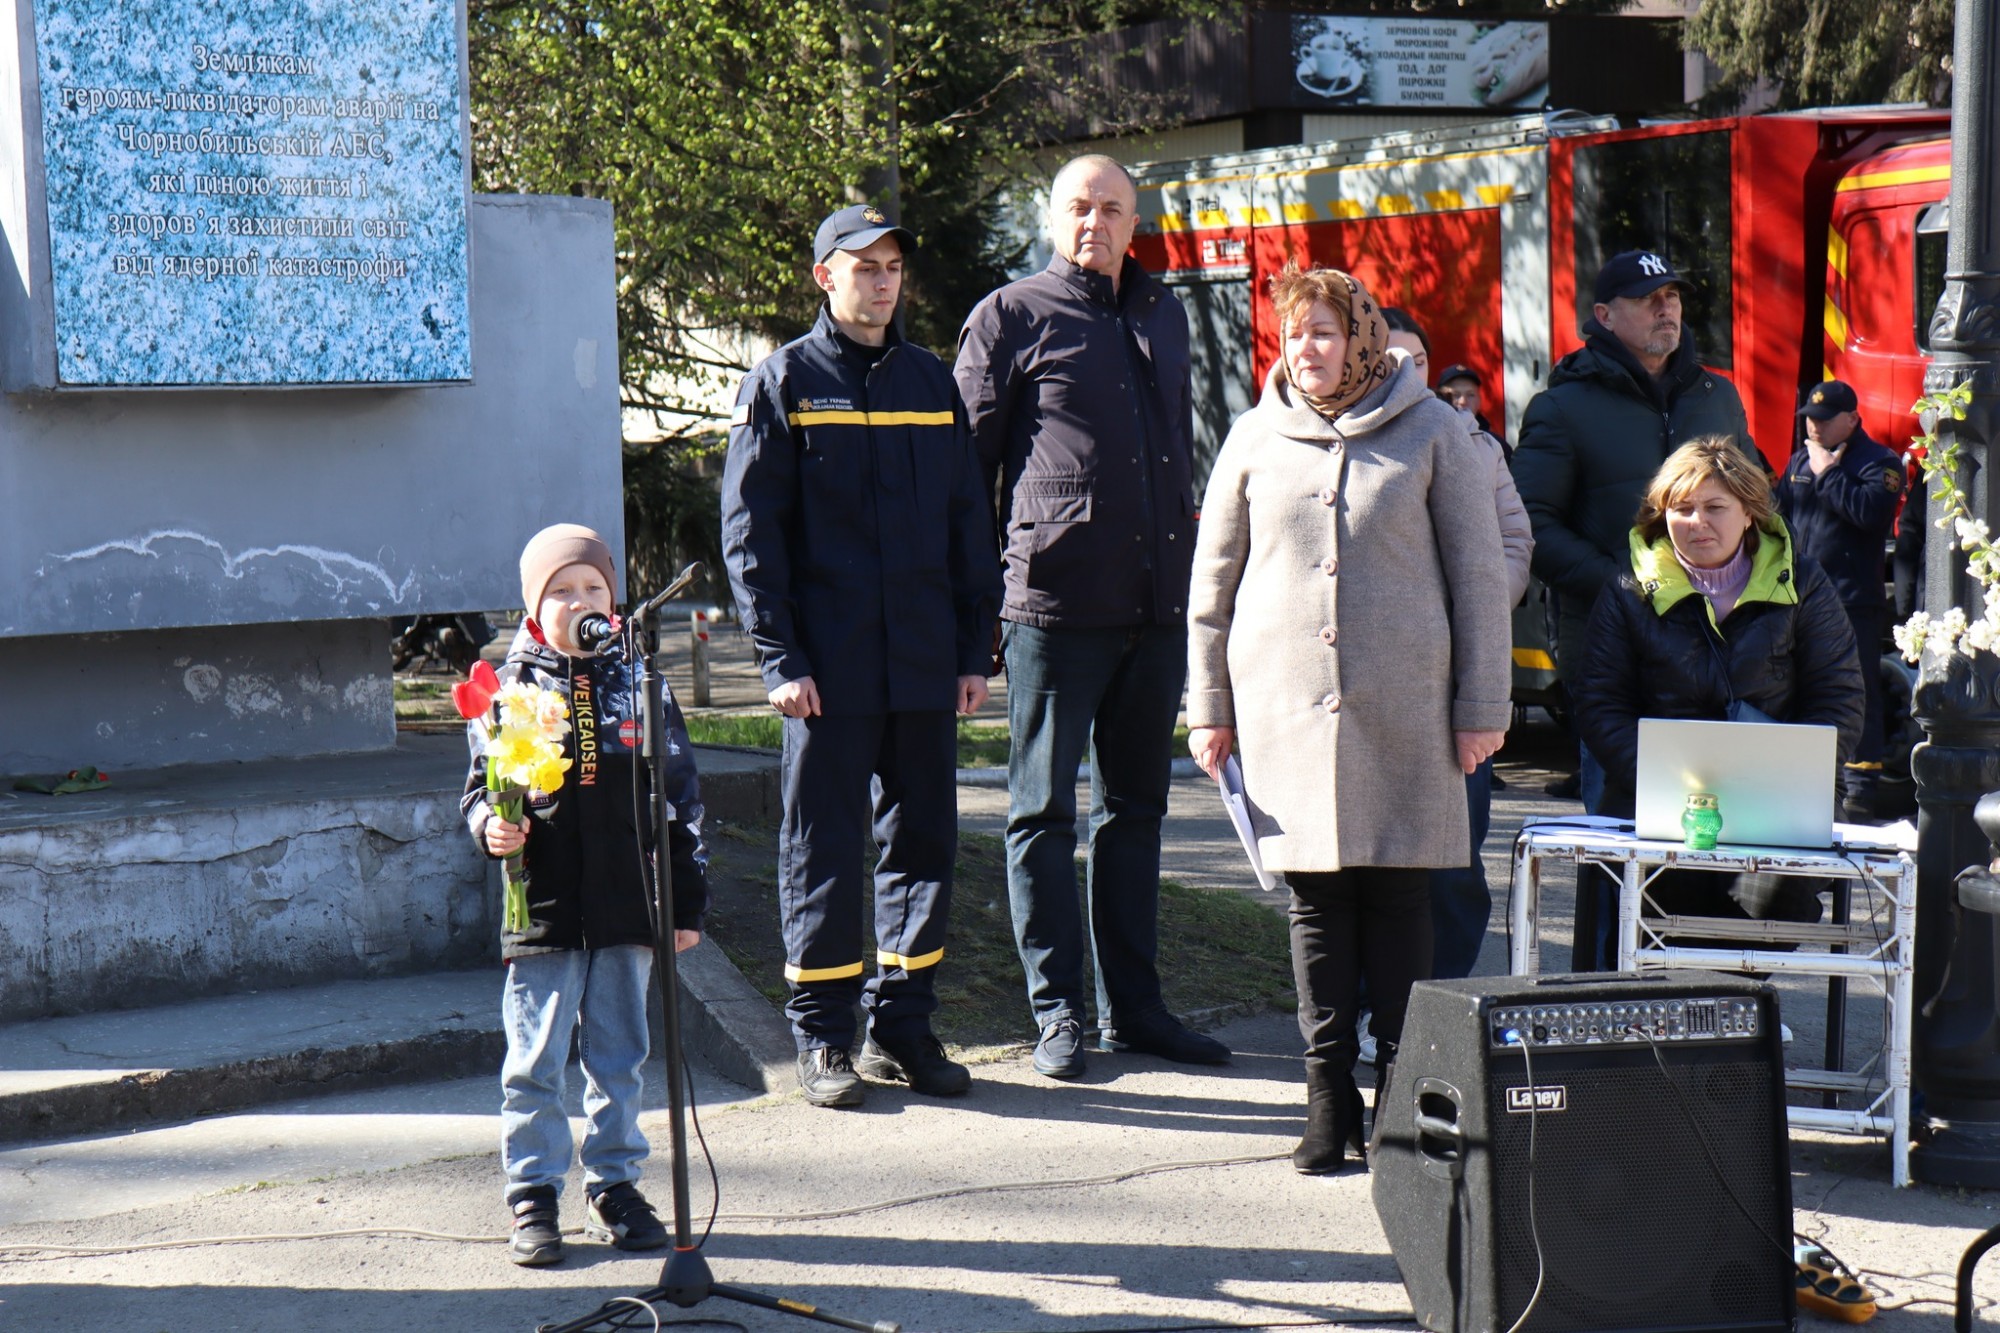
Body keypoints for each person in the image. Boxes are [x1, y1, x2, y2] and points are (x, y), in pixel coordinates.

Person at [1185, 265, 1512, 1175]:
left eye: (1324, 333)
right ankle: (1327, 1099)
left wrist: (1483, 706)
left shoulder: (1435, 431)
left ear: (1362, 338)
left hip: (1409, 709)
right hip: (1286, 708)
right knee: (1318, 905)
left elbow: (1483, 582)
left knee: (1402, 897)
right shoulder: (1253, 438)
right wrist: (1208, 706)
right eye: (1294, 336)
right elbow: (1211, 588)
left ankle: (1399, 1096)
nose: (1307, 351)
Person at [722, 204, 1001, 1109]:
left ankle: (904, 1024)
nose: (882, 281)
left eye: (892, 266)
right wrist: (778, 658)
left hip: (923, 662)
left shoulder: (931, 382)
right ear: (824, 278)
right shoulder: (784, 383)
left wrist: (972, 648)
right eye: (863, 266)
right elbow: (752, 537)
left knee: (922, 846)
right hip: (827, 672)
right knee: (826, 846)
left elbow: (969, 524)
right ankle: (824, 1039)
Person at [955, 153, 1226, 1079]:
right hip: (1053, 608)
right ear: (1055, 217)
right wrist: (976, 616)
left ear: (1132, 222)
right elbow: (966, 479)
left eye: (1111, 209)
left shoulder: (1163, 311)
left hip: (1153, 609)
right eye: (1079, 207)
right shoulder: (1011, 315)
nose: (1094, 223)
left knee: (1136, 812)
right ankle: (1058, 1012)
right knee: (1040, 811)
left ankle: (1137, 1010)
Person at [463, 522, 708, 1267]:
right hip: (544, 902)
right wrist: (491, 827)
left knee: (621, 1050)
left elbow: (680, 798)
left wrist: (685, 903)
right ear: (536, 607)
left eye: (594, 588)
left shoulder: (642, 680)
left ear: (615, 597)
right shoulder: (506, 690)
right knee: (536, 1054)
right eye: (561, 591)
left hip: (627, 900)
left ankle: (615, 1181)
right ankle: (534, 1191)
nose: (580, 601)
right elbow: (479, 792)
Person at [1572, 439, 1864, 929]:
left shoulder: (1805, 584)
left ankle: (1715, 999)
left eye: (1714, 507)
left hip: (1780, 804)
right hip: (1661, 807)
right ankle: (1708, 1000)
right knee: (1668, 903)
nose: (1697, 522)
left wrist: (1789, 776)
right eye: (1681, 509)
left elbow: (1840, 700)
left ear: (1750, 513)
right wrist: (1662, 784)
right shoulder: (1627, 590)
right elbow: (1600, 704)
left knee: (1776, 908)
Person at [1513, 250, 1755, 818]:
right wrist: (1627, 586)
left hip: (1720, 640)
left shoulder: (1717, 396)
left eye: (1671, 296)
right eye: (1647, 299)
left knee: (1716, 824)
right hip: (1613, 646)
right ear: (1604, 314)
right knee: (1621, 824)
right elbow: (1528, 522)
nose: (1665, 308)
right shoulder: (1561, 408)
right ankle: (1610, 914)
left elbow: (1758, 501)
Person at [1382, 314, 1533, 983]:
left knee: (1453, 854)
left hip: (1457, 677)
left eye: (1419, 358)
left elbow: (1513, 544)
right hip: (1373, 681)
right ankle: (1370, 1002)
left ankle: (1440, 995)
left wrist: (1461, 613)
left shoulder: (1475, 443)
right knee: (1373, 856)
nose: (1408, 371)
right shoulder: (1341, 443)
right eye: (1391, 358)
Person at [1775, 379, 1902, 821]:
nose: (1813, 427)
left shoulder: (1879, 463)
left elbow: (1870, 514)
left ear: (1851, 419)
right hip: (1797, 596)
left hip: (1851, 600)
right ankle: (1800, 776)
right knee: (1793, 685)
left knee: (1855, 690)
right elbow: (1779, 518)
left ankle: (1860, 785)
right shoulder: (1799, 461)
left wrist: (1828, 474)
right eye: (1809, 419)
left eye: (1824, 421)